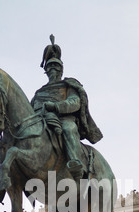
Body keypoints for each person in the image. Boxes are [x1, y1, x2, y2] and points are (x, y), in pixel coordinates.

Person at [31, 35, 103, 182]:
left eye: (55, 67)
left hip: (64, 119)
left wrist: (55, 106)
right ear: (46, 71)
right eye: (49, 67)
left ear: (61, 70)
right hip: (42, 121)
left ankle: (75, 163)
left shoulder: (69, 84)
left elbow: (74, 102)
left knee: (68, 129)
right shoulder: (39, 92)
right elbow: (29, 109)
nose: (52, 70)